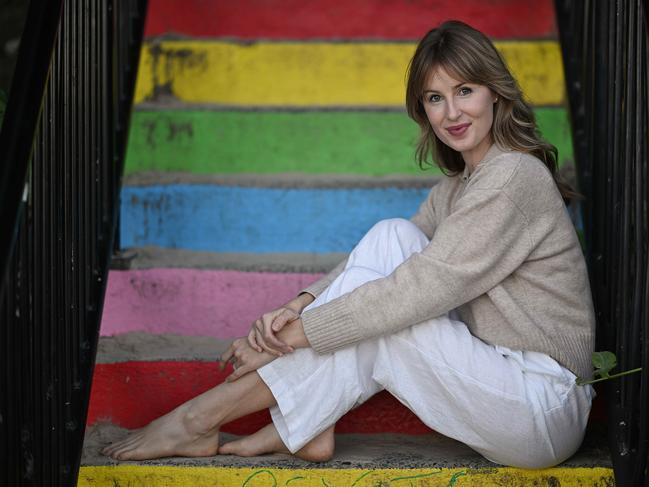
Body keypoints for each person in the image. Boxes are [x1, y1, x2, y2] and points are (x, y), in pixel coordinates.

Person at [103, 20, 595, 468]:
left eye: (464, 90)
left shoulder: (512, 177)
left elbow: (418, 289)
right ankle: (308, 422)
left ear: (494, 92)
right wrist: (298, 306)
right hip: (498, 382)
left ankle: (198, 419)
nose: (452, 112)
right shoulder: (455, 191)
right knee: (392, 235)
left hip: (542, 404)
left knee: (391, 316)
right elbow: (379, 264)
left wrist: (291, 339)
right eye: (434, 98)